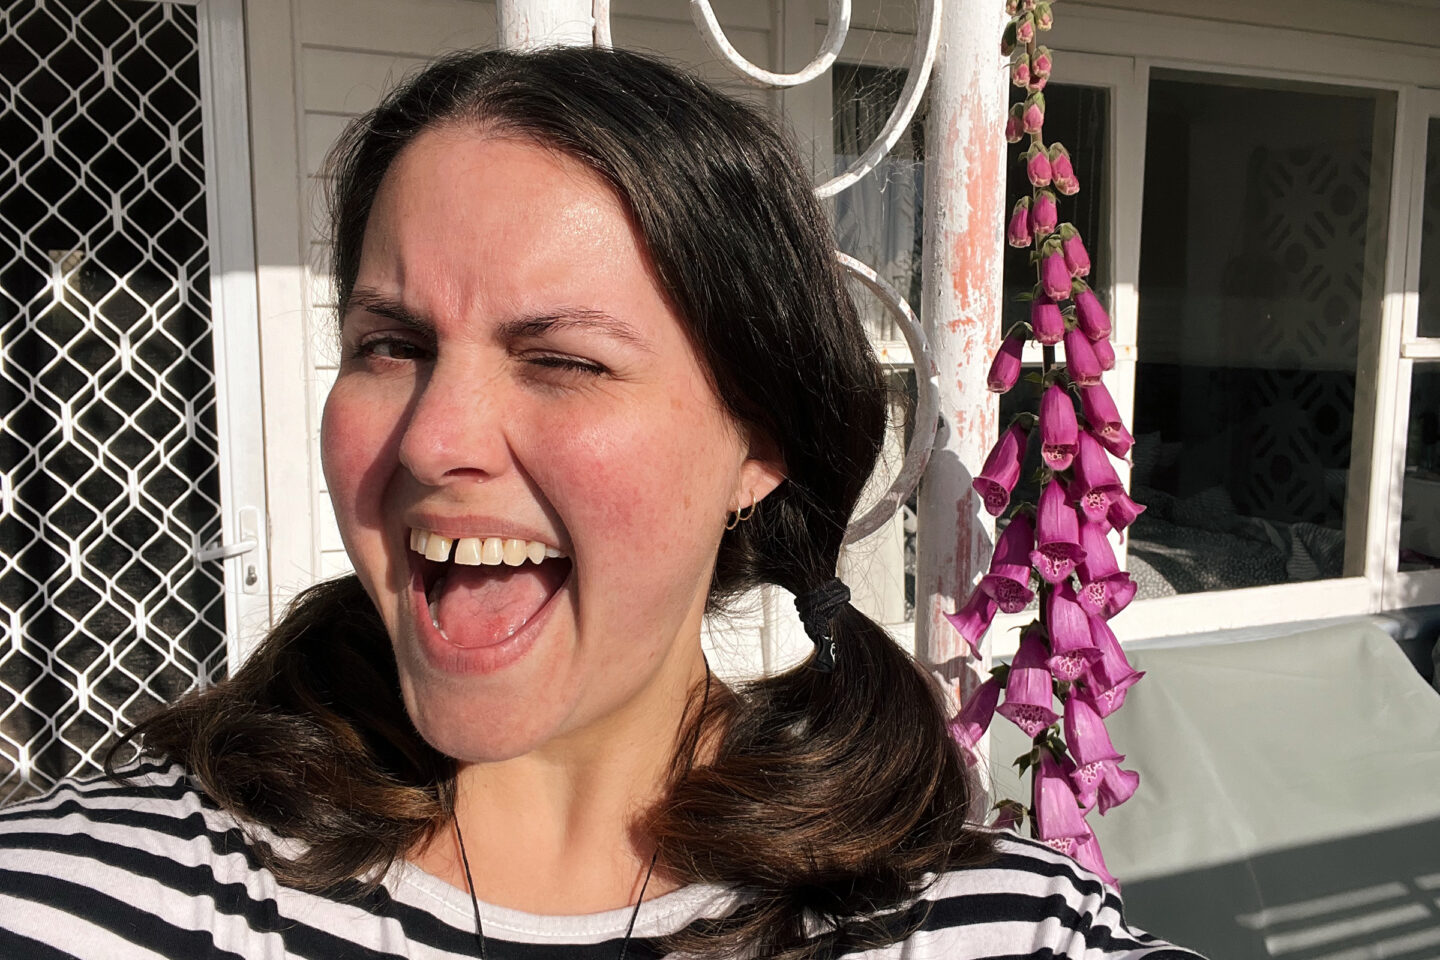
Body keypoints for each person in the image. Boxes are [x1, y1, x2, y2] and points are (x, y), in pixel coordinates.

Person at [0, 46, 1203, 960]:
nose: (433, 439)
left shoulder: (989, 929)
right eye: (390, 343)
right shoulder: (85, 901)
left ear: (761, 443)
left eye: (564, 359)